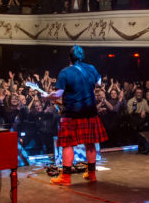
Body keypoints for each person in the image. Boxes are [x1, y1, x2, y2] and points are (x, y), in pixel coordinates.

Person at [42, 45, 108, 185]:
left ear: (69, 58)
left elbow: (58, 94)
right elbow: (98, 83)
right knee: (90, 143)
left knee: (67, 144)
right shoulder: (91, 68)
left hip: (71, 113)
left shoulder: (65, 72)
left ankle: (65, 177)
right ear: (82, 57)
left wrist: (47, 96)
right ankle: (92, 175)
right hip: (90, 112)